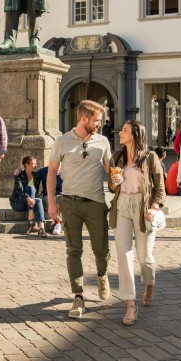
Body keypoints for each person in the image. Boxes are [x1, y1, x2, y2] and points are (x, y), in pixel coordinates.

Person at [46, 99, 112, 319]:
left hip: (96, 203)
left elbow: (112, 171)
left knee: (101, 249)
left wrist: (118, 181)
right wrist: (52, 202)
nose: (100, 124)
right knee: (73, 250)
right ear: (84, 119)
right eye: (97, 120)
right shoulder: (62, 141)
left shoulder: (103, 142)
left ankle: (102, 275)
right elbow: (52, 172)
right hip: (70, 203)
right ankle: (78, 296)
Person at [107, 121, 165, 326]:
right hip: (122, 205)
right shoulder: (118, 157)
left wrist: (154, 207)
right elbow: (112, 187)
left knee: (144, 258)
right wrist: (114, 184)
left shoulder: (150, 157)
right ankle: (130, 303)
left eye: (124, 130)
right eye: (121, 129)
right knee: (123, 255)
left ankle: (149, 282)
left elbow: (160, 187)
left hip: (143, 208)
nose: (120, 132)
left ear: (135, 134)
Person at [10, 155, 47, 236]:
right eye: (33, 163)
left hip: (31, 202)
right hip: (18, 203)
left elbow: (47, 170)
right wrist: (28, 198)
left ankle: (41, 227)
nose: (36, 165)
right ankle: (31, 216)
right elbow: (19, 189)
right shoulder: (19, 175)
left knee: (39, 200)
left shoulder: (36, 175)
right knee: (31, 188)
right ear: (27, 164)